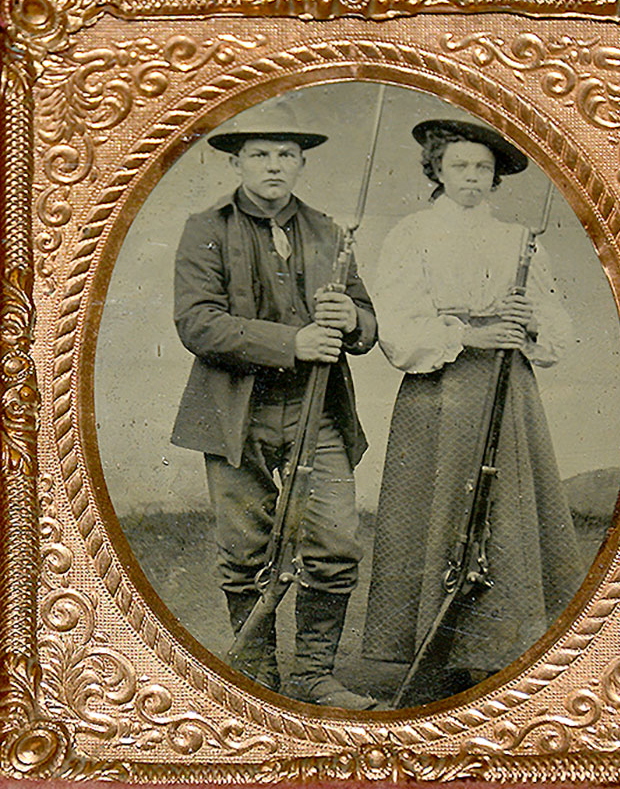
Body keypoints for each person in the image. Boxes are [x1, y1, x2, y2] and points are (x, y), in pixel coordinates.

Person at [362, 118, 584, 704]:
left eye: (482, 168)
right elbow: (399, 327)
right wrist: (469, 334)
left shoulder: (520, 239)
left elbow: (557, 327)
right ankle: (437, 656)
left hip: (507, 392)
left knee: (506, 509)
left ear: (495, 178)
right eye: (459, 166)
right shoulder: (412, 234)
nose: (471, 177)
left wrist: (528, 321)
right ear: (435, 168)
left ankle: (501, 650)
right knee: (437, 506)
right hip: (440, 390)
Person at [171, 108, 377, 710]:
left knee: (335, 542)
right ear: (237, 163)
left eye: (285, 154)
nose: (273, 166)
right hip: (235, 410)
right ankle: (259, 678)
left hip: (319, 410)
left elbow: (365, 323)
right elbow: (197, 322)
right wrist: (291, 343)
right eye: (261, 155)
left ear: (301, 163)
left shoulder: (331, 231)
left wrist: (352, 322)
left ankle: (315, 676)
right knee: (244, 551)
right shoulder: (203, 227)